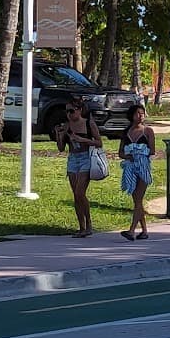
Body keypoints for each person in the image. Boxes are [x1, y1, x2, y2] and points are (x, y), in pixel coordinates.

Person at [54, 98, 104, 238]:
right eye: (67, 111)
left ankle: (88, 224)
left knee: (80, 192)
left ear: (80, 110)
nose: (69, 114)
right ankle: (81, 227)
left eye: (72, 111)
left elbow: (99, 143)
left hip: (85, 158)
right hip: (73, 159)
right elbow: (61, 148)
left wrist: (83, 140)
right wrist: (60, 135)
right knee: (76, 195)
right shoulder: (67, 125)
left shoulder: (88, 123)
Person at [117, 103, 156, 241]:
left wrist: (140, 152)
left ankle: (132, 230)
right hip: (130, 166)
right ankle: (144, 231)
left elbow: (152, 150)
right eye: (138, 113)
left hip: (143, 165)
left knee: (138, 199)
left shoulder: (148, 131)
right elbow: (120, 152)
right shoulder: (126, 132)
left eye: (142, 113)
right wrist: (128, 155)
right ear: (132, 116)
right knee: (137, 201)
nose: (141, 116)